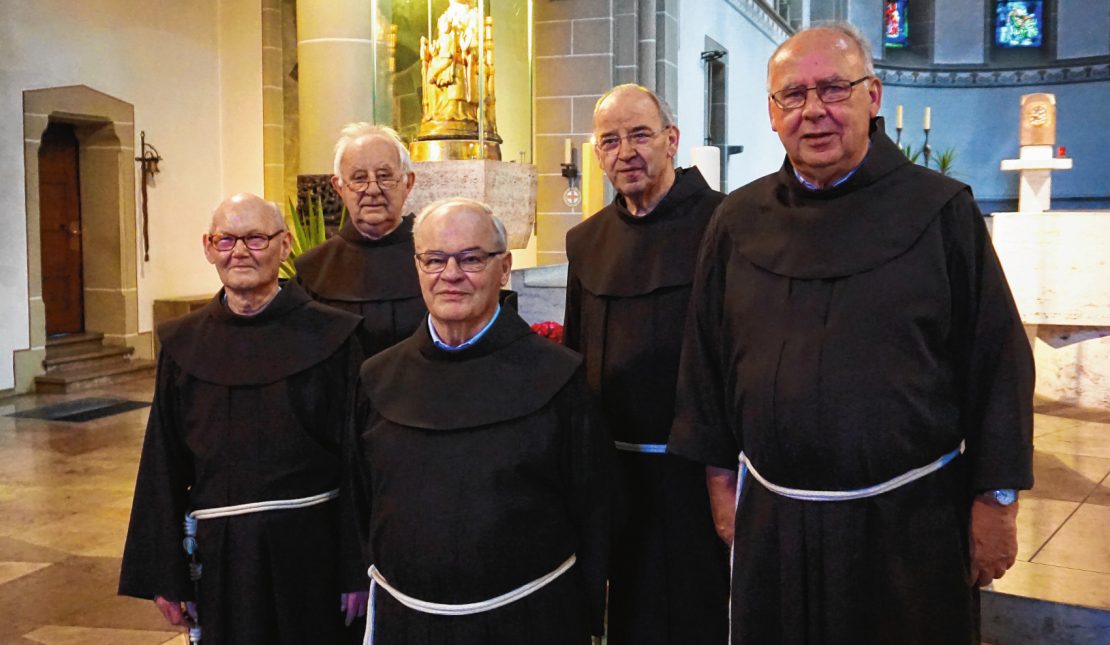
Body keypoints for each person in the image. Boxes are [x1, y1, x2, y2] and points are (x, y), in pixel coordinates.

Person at [668, 24, 1034, 644]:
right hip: (776, 520)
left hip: (909, 523)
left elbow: (998, 362)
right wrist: (720, 481)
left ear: (873, 95)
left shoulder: (940, 211)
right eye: (793, 95)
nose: (813, 110)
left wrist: (996, 501)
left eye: (834, 88)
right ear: (772, 113)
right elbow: (706, 359)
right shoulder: (736, 221)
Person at [344, 198, 614, 644]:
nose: (450, 274)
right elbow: (361, 501)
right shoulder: (377, 378)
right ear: (417, 267)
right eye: (434, 259)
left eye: (471, 259)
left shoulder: (557, 377)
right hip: (408, 624)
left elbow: (594, 509)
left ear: (503, 268)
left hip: (530, 622)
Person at [119, 193, 368, 643]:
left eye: (255, 238)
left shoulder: (332, 335)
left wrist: (357, 566)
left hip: (314, 554)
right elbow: (163, 462)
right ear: (208, 247)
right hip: (222, 560)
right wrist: (166, 574)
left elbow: (357, 461)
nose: (239, 252)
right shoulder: (183, 343)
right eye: (226, 239)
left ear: (284, 244)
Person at [563, 84, 729, 645]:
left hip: (700, 471)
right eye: (610, 141)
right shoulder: (587, 242)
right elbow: (575, 353)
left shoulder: (724, 224)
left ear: (671, 140)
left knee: (701, 613)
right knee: (628, 612)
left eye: (639, 135)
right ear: (597, 154)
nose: (626, 151)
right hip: (616, 474)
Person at [295, 123, 426, 360]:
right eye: (359, 178)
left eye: (385, 176)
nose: (372, 189)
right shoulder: (314, 269)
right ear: (339, 188)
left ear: (408, 182)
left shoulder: (437, 259)